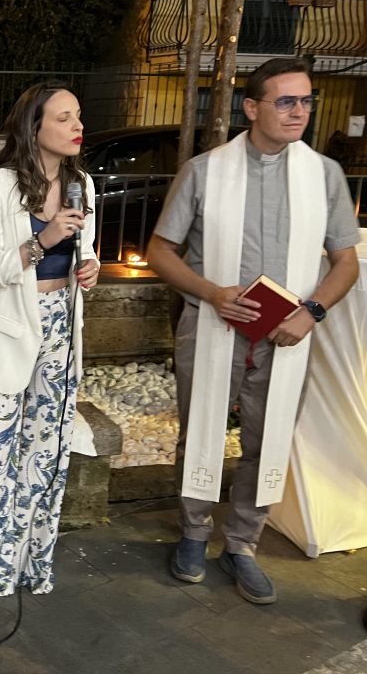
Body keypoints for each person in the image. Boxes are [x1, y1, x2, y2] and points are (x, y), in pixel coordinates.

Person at [147, 57, 360, 605]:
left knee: (267, 440)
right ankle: (194, 534)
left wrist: (310, 311)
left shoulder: (324, 175)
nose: (300, 112)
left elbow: (345, 261)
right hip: (214, 324)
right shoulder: (205, 171)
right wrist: (211, 292)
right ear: (252, 107)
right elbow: (159, 252)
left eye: (306, 101)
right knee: (201, 433)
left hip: (287, 333)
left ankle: (242, 544)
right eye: (286, 101)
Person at [0, 82, 100, 624]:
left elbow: (86, 252)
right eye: (65, 117)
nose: (78, 125)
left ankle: (24, 566)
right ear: (35, 127)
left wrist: (90, 266)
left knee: (43, 456)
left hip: (62, 329)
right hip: (11, 331)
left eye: (78, 116)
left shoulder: (84, 185)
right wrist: (43, 240)